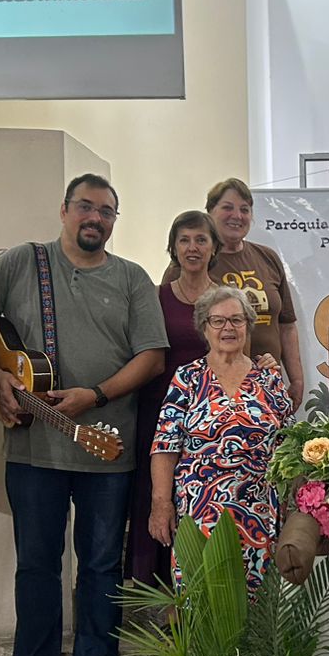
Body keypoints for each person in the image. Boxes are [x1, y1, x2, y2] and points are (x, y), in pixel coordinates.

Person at [0, 174, 167, 656]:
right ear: (64, 210)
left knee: (101, 566)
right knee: (36, 565)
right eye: (85, 207)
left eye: (106, 211)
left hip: (107, 451)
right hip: (34, 451)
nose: (94, 218)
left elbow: (152, 356)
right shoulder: (22, 263)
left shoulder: (132, 278)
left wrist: (95, 395)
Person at [149, 286, 294, 590]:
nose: (228, 327)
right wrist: (161, 503)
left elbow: (290, 446)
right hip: (199, 513)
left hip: (259, 513)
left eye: (236, 320)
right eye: (218, 321)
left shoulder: (269, 378)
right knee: (202, 601)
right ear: (204, 327)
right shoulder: (187, 378)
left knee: (257, 607)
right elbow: (165, 445)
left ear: (248, 326)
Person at [127, 211, 219, 586]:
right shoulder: (155, 297)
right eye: (184, 240)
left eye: (201, 239)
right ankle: (161, 598)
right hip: (158, 414)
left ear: (213, 248)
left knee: (202, 497)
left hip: (209, 419)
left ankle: (199, 591)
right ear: (173, 247)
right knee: (157, 496)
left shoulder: (227, 300)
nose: (192, 247)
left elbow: (240, 357)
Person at [163, 178, 305, 412]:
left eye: (244, 209)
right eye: (227, 207)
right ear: (210, 212)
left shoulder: (267, 257)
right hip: (211, 392)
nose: (237, 216)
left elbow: (287, 325)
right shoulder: (190, 264)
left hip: (266, 382)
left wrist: (296, 379)